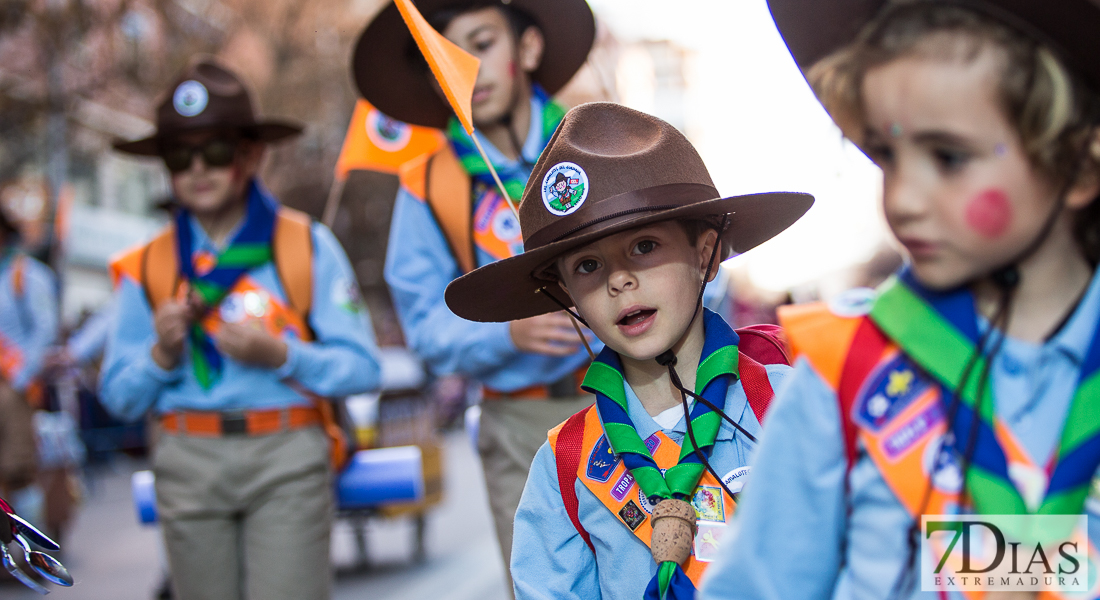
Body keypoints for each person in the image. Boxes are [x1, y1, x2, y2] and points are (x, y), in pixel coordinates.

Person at [699, 1, 1100, 599]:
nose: (903, 199)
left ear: (1073, 165)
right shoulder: (848, 370)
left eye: (949, 157)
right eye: (887, 155)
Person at [445, 102, 813, 600]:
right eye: (588, 265)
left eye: (644, 247)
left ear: (705, 254)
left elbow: (906, 548)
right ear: (565, 294)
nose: (619, 279)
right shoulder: (565, 467)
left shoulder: (795, 404)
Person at [100, 58, 381, 600]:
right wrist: (160, 354)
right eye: (180, 156)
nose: (198, 168)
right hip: (187, 461)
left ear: (250, 155)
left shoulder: (306, 245)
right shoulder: (147, 265)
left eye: (218, 150)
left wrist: (283, 356)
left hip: (286, 457)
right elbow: (119, 397)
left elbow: (363, 369)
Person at [351, 0, 598, 583]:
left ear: (528, 49)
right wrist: (505, 333)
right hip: (519, 429)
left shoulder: (600, 142)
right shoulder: (425, 185)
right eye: (447, 56)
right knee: (545, 587)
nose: (467, 70)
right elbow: (426, 326)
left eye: (481, 43)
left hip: (625, 400)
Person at [0, 208, 57, 515]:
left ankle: (30, 553)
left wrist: (21, 379)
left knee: (19, 471)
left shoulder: (29, 275)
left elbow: (45, 330)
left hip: (14, 389)